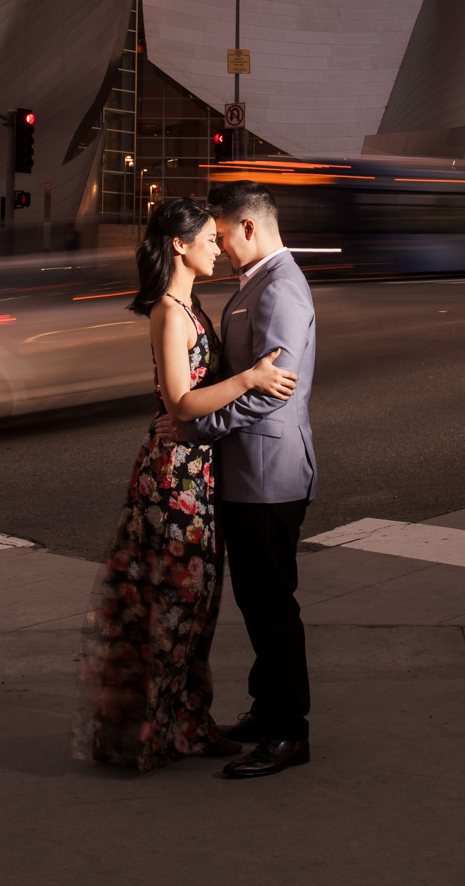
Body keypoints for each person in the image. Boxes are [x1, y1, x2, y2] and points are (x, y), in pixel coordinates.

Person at [74, 196, 298, 771]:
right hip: (174, 480)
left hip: (198, 472)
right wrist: (250, 378)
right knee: (173, 607)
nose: (218, 245)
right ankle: (155, 732)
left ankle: (188, 725)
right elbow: (180, 400)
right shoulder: (170, 312)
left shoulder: (190, 304)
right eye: (208, 237)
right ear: (179, 244)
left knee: (195, 608)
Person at [177, 179, 319, 780]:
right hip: (249, 472)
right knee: (257, 600)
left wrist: (198, 429)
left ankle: (290, 730)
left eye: (224, 234)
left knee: (271, 605)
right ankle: (268, 711)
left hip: (268, 472)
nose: (221, 245)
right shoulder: (258, 282)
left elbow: (272, 390)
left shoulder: (280, 288)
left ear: (250, 228)